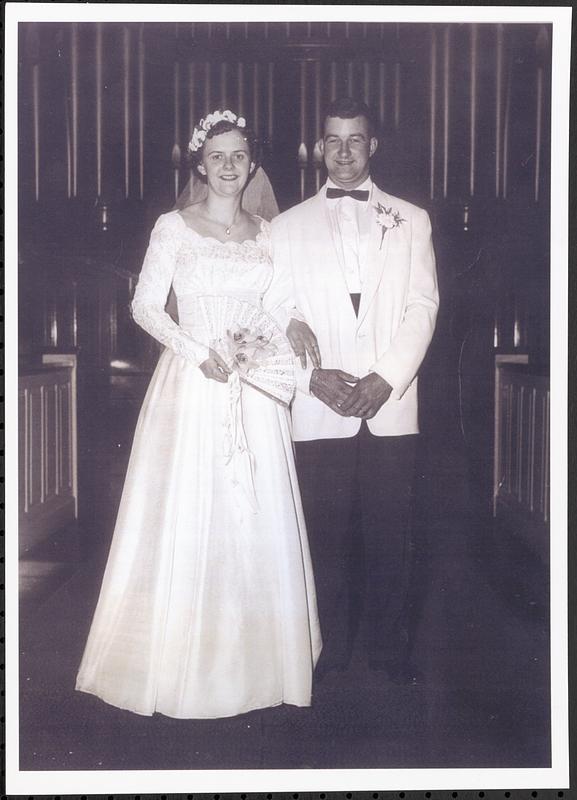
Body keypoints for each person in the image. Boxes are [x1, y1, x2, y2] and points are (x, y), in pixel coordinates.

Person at [76, 109, 322, 718]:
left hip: (255, 391)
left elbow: (274, 303)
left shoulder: (268, 235)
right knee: (190, 512)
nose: (229, 166)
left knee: (255, 513)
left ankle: (263, 662)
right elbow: (145, 307)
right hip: (191, 386)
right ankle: (178, 665)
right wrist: (197, 351)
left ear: (253, 164)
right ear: (200, 165)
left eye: (239, 155)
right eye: (217, 156)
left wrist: (288, 322)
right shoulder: (173, 228)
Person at [271, 97, 439, 685]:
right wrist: (309, 378)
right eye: (333, 141)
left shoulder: (411, 219)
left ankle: (390, 654)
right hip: (321, 409)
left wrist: (387, 376)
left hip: (389, 405)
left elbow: (423, 306)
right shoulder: (285, 227)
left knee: (394, 533)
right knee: (325, 534)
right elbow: (275, 315)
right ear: (319, 147)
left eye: (355, 140)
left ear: (373, 146)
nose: (343, 153)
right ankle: (330, 650)